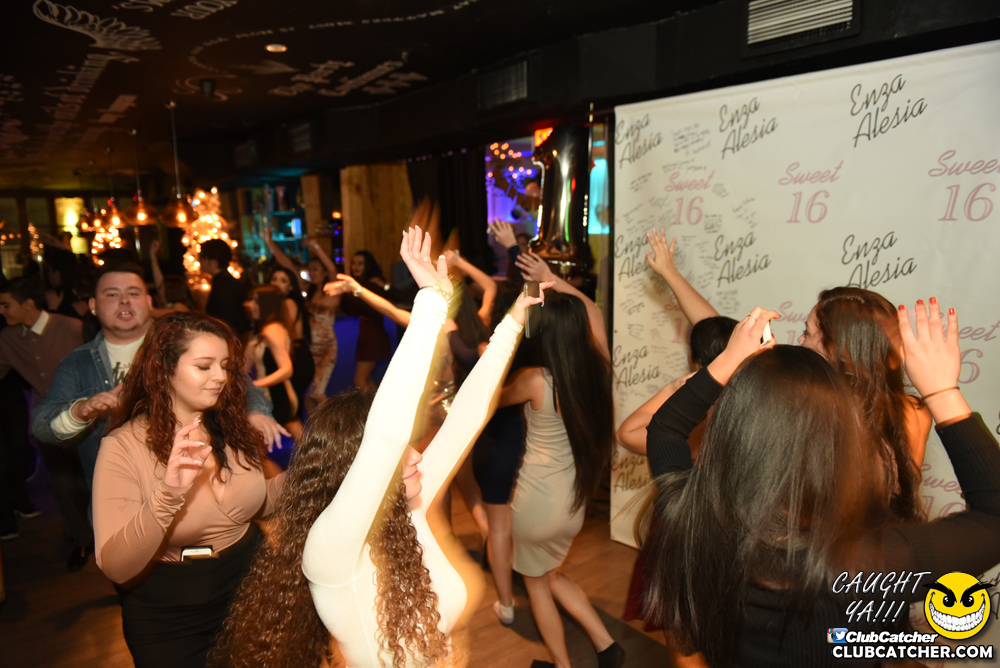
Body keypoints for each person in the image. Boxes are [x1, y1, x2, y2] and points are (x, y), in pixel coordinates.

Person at [644, 301, 1000, 667]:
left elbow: (665, 429)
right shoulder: (870, 563)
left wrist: (727, 361)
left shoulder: (691, 513)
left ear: (732, 426)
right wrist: (942, 391)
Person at [295, 227, 545, 668]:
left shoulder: (407, 505)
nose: (415, 456)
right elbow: (387, 433)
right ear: (353, 465)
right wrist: (431, 301)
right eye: (399, 451)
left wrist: (513, 323)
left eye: (411, 447)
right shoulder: (330, 548)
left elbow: (465, 418)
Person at [93, 312, 283, 668]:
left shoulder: (233, 428)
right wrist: (168, 496)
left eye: (225, 366)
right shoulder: (123, 446)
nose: (221, 377)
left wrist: (311, 474)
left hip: (251, 584)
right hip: (169, 611)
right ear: (165, 369)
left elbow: (257, 504)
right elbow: (116, 567)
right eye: (204, 366)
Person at [32, 263, 285, 497]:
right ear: (93, 305)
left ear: (149, 301)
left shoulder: (184, 339)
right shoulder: (78, 364)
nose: (124, 301)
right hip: (123, 498)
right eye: (112, 294)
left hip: (201, 491)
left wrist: (256, 412)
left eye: (133, 293)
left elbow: (239, 383)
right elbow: (43, 427)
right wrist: (79, 411)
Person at [502, 252, 624, 668]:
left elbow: (489, 400)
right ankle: (607, 646)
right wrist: (552, 279)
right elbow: (593, 311)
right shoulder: (599, 369)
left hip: (537, 504)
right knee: (551, 575)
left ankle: (561, 664)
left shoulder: (535, 380)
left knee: (537, 585)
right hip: (573, 504)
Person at [799, 287, 932, 521]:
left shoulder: (824, 416)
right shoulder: (915, 410)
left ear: (836, 350)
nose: (800, 341)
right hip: (899, 537)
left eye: (807, 333)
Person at [0, 277, 89, 564]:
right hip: (47, 423)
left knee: (91, 480)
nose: (1, 311)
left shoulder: (71, 327)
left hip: (87, 419)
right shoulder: (8, 338)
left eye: (6, 305)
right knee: (63, 486)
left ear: (28, 304)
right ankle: (81, 540)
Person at [265, 231, 341, 410]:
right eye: (310, 269)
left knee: (317, 392)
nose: (312, 273)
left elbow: (332, 269)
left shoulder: (333, 291)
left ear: (324, 272)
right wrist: (271, 244)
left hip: (326, 349)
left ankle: (341, 422)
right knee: (307, 392)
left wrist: (315, 246)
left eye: (316, 269)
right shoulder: (309, 290)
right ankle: (316, 426)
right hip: (310, 347)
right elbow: (289, 268)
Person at [245, 285, 308, 440]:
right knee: (291, 429)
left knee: (257, 439)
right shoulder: (262, 330)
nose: (250, 305)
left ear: (265, 304)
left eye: (255, 301)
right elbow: (244, 366)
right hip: (270, 395)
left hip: (276, 395)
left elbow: (287, 369)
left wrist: (257, 384)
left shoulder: (272, 330)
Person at [340, 249, 393, 391]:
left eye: (360, 263)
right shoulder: (361, 284)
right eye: (354, 263)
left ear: (368, 265)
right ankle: (376, 405)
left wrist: (347, 292)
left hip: (373, 336)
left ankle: (376, 405)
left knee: (360, 380)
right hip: (368, 335)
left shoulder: (371, 285)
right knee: (366, 379)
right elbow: (353, 310)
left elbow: (369, 310)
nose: (356, 267)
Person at [200, 239, 250, 337]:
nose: (199, 261)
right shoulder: (226, 282)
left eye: (202, 257)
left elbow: (224, 321)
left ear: (213, 261)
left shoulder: (224, 286)